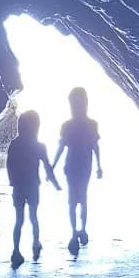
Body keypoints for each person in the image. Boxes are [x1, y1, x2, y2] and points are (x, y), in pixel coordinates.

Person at [6, 109, 60, 266]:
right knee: (33, 217)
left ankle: (16, 250)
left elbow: (9, 164)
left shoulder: (14, 144)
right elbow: (47, 167)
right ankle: (36, 244)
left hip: (18, 186)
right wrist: (55, 183)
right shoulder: (39, 146)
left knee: (19, 220)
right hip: (33, 185)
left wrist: (12, 180)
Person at [53, 86, 102, 256]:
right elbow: (94, 146)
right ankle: (79, 230)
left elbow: (94, 146)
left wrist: (99, 166)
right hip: (78, 165)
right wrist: (98, 166)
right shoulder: (87, 124)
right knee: (79, 198)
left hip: (76, 165)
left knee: (75, 199)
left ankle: (77, 230)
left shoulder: (72, 125)